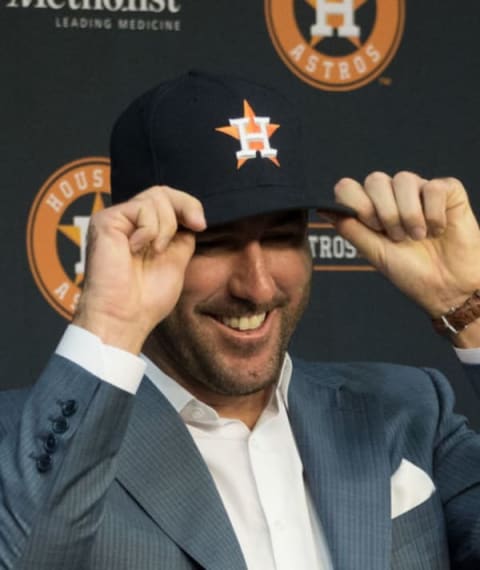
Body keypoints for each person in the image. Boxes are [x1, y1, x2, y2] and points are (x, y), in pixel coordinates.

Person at [1, 70, 480, 570]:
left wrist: (468, 304)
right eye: (214, 244)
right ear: (135, 243)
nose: (256, 285)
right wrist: (113, 322)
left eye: (279, 238)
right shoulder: (25, 444)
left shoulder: (409, 412)